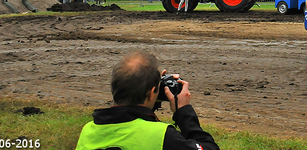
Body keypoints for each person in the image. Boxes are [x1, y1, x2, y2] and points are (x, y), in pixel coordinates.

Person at [75, 51, 219, 150]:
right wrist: (183, 112)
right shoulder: (162, 136)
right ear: (151, 94)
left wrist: (153, 90)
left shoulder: (88, 131)